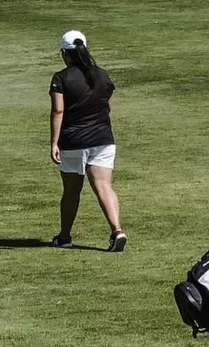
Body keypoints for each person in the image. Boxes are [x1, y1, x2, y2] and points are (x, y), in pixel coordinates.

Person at [49, 30, 127, 251]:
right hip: (103, 139)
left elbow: (58, 111)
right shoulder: (102, 75)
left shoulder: (61, 78)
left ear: (65, 53)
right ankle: (117, 231)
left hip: (73, 140)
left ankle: (64, 237)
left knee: (72, 190)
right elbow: (107, 105)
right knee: (104, 186)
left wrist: (54, 142)